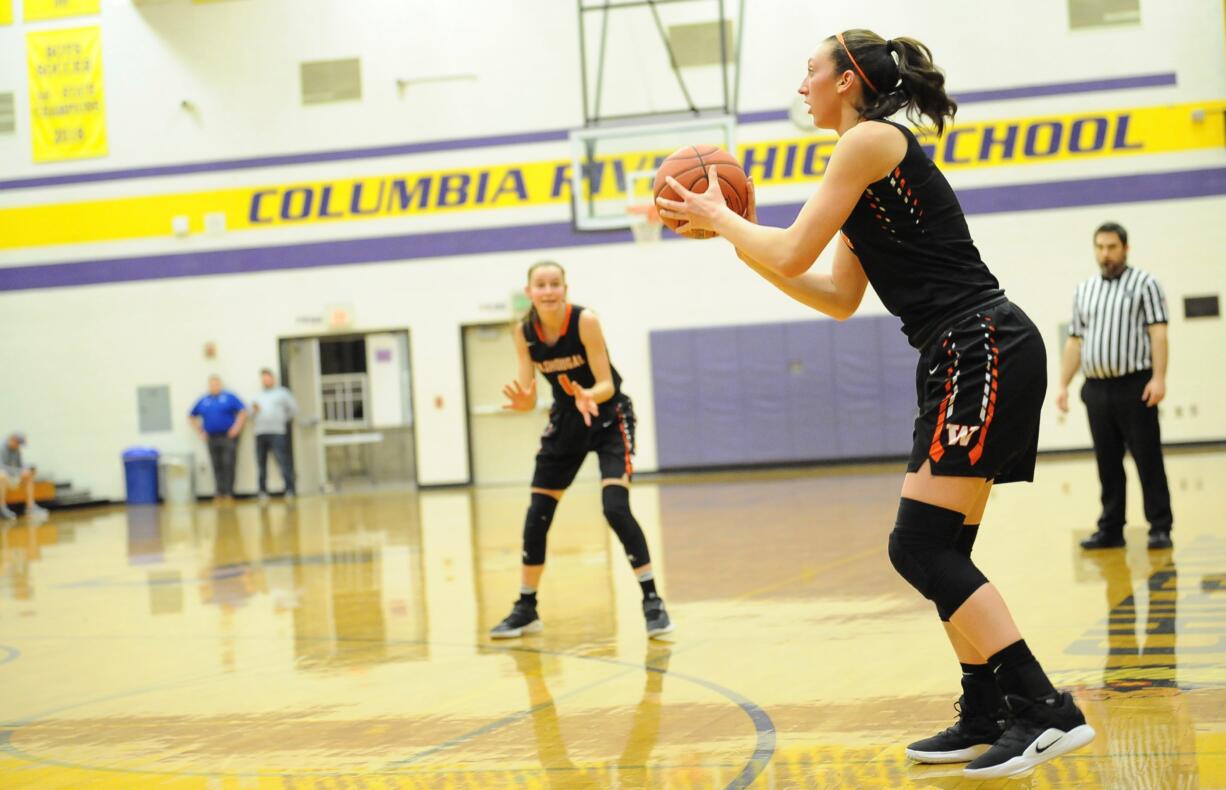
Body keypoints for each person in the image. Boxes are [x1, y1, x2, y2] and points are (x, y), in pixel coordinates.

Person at [656, 29, 1094, 779]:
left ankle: (1047, 709)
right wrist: (734, 239)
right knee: (941, 550)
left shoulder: (868, 143)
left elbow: (789, 250)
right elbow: (832, 295)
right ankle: (984, 710)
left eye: (810, 72)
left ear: (848, 80)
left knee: (917, 547)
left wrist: (723, 217)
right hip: (959, 350)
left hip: (980, 341)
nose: (802, 87)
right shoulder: (867, 174)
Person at [490, 261, 673, 640]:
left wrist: (589, 394)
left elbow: (606, 382)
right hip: (567, 420)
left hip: (608, 415)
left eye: (554, 283)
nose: (548, 290)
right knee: (537, 512)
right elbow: (528, 389)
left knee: (615, 507)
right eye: (541, 285)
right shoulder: (524, 332)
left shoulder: (585, 321)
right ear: (530, 292)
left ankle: (652, 600)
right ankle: (526, 607)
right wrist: (525, 403)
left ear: (565, 288)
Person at [1055, 222, 1172, 550]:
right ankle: (1111, 528)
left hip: (1135, 386)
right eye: (1100, 247)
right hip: (1096, 389)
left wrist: (1159, 378)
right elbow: (1075, 342)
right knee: (1107, 461)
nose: (1105, 254)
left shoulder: (1145, 284)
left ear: (1125, 248)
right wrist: (1063, 384)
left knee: (1147, 458)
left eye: (1111, 247)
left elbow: (1158, 333)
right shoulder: (1085, 290)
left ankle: (1159, 526)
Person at [190, 376, 247, 502]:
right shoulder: (204, 400)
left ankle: (228, 492)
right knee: (216, 464)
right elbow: (191, 415)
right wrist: (200, 431)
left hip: (227, 436)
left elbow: (243, 411)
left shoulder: (229, 397)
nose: (214, 386)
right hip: (211, 436)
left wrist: (236, 428)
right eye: (211, 384)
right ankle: (219, 491)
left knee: (228, 463)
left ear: (220, 385)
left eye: (216, 384)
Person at [251, 368, 298, 502]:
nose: (266, 380)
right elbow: (251, 413)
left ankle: (289, 489)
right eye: (263, 378)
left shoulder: (282, 393)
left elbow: (293, 410)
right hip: (260, 432)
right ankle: (262, 491)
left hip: (277, 432)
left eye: (268, 377)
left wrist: (282, 420)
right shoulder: (257, 396)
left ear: (273, 378)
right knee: (261, 463)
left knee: (282, 460)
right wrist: (254, 411)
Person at [0, 432, 48, 521]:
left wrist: (29, 468)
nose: (19, 446)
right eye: (18, 443)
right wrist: (19, 471)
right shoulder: (1, 448)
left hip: (11, 477)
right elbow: (1, 467)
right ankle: (2, 508)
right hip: (3, 478)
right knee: (2, 475)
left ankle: (30, 507)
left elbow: (20, 466)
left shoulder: (16, 449)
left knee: (28, 474)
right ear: (13, 440)